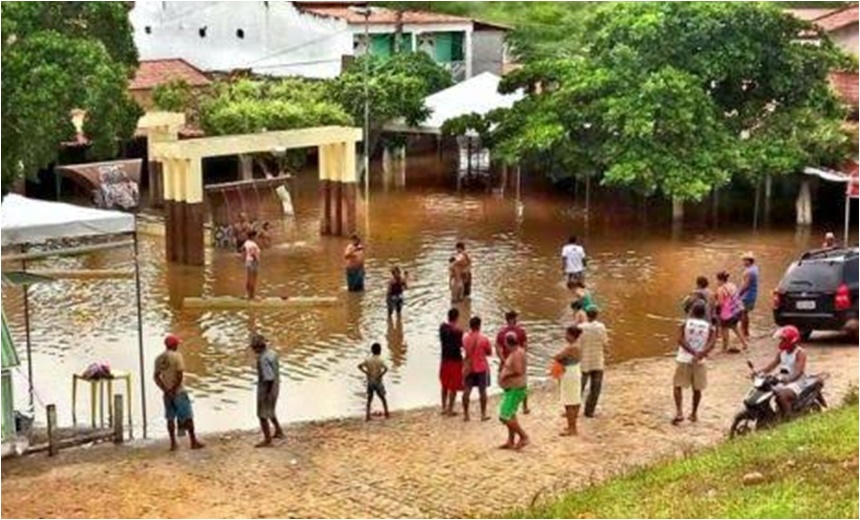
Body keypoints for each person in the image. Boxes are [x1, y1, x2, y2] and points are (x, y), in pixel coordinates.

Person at [153, 334, 204, 451]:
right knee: (188, 416)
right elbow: (179, 375)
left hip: (166, 393)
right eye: (177, 344)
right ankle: (193, 441)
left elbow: (156, 377)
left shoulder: (159, 358)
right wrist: (174, 390)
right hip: (179, 391)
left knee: (170, 417)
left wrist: (166, 390)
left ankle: (173, 444)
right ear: (174, 345)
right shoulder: (177, 356)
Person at [672, 301, 716, 425]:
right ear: (704, 313)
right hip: (700, 361)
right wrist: (699, 354)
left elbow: (680, 340)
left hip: (683, 358)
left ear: (691, 311)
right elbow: (712, 343)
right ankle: (694, 413)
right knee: (697, 389)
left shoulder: (684, 324)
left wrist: (692, 352)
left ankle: (679, 412)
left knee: (677, 385)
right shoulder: (710, 327)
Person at [755, 325, 809, 419]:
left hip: (797, 382)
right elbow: (771, 365)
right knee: (765, 389)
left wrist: (786, 379)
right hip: (783, 380)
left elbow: (798, 372)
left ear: (791, 340)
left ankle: (788, 418)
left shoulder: (800, 353)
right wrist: (759, 372)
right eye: (781, 339)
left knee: (782, 396)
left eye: (784, 340)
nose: (781, 342)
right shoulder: (781, 352)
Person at [251, 334, 284, 447]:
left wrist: (265, 394)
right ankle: (279, 431)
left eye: (253, 348)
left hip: (267, 389)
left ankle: (267, 439)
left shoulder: (262, 359)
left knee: (262, 415)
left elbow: (268, 377)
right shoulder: (272, 353)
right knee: (270, 410)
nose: (253, 350)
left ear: (258, 348)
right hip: (276, 387)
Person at [498, 332, 529, 450]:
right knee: (511, 414)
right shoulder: (519, 351)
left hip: (515, 389)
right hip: (514, 388)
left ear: (507, 343)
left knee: (504, 416)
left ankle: (524, 436)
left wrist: (505, 376)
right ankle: (510, 440)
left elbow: (519, 370)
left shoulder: (517, 354)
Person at [495, 310, 530, 414]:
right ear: (514, 319)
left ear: (507, 319)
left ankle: (509, 402)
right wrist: (522, 358)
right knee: (523, 383)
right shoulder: (521, 331)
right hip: (519, 360)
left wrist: (504, 361)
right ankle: (525, 407)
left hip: (507, 362)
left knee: (507, 383)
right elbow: (525, 347)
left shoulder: (501, 333)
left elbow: (497, 349)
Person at [579, 306, 609, 418]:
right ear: (597, 315)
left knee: (579, 387)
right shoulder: (601, 327)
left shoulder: (580, 327)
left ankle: (573, 410)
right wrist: (607, 352)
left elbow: (577, 345)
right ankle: (589, 411)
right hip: (597, 361)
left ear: (587, 315)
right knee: (595, 388)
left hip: (584, 361)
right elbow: (605, 343)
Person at [553, 325, 583, 435]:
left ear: (571, 335)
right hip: (575, 371)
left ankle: (572, 428)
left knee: (569, 402)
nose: (565, 336)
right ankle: (572, 426)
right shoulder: (577, 345)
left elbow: (557, 357)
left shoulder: (571, 347)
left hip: (569, 373)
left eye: (567, 334)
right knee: (575, 399)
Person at [462, 316, 492, 422]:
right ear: (479, 325)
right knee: (482, 391)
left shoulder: (465, 338)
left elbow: (463, 349)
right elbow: (489, 352)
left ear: (470, 326)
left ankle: (466, 415)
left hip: (469, 367)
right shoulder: (484, 339)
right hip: (481, 367)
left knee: (467, 390)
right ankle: (483, 415)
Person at [439, 308, 464, 416]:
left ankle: (444, 407)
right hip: (455, 360)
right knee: (453, 386)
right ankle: (450, 409)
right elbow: (462, 345)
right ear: (457, 318)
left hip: (444, 359)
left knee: (444, 384)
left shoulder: (442, 328)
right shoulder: (458, 332)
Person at [715, 271, 748, 353]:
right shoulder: (732, 285)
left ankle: (724, 348)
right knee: (735, 327)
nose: (716, 282)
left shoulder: (720, 289)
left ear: (721, 280)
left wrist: (714, 306)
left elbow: (720, 303)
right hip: (737, 310)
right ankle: (744, 344)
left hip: (727, 313)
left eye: (717, 280)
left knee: (724, 329)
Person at [358, 342, 390, 421]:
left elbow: (359, 366)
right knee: (383, 398)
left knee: (369, 399)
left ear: (372, 350)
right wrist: (381, 375)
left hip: (370, 381)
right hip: (378, 381)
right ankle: (386, 413)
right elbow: (386, 369)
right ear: (380, 351)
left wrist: (366, 372)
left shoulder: (368, 360)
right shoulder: (380, 360)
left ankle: (367, 416)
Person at [738, 252, 759, 340]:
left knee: (743, 313)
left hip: (747, 295)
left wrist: (738, 294)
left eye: (745, 260)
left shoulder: (749, 271)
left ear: (749, 261)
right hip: (752, 294)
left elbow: (746, 286)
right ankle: (746, 332)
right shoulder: (755, 268)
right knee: (745, 313)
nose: (743, 262)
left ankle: (744, 332)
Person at [242, 230, 261, 300]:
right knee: (253, 279)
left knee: (249, 279)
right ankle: (252, 296)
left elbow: (243, 252)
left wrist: (244, 260)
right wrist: (257, 260)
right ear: (253, 236)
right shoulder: (253, 244)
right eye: (256, 236)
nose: (257, 238)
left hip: (248, 261)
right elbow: (253, 253)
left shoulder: (246, 243)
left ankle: (248, 294)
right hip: (253, 262)